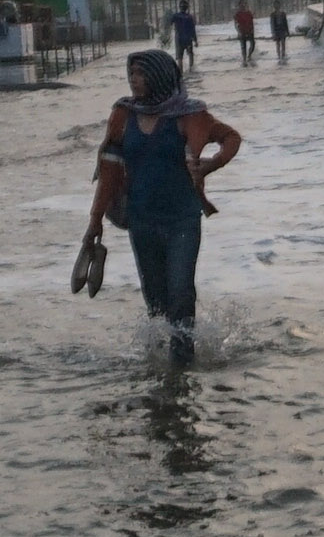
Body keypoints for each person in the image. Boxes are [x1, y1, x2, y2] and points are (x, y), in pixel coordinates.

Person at [81, 49, 242, 366]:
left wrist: (212, 164)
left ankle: (182, 365)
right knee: (155, 301)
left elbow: (231, 137)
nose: (134, 80)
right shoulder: (123, 116)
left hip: (182, 220)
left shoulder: (190, 115)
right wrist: (95, 219)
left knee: (180, 291)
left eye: (141, 74)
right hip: (141, 222)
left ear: (159, 77)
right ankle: (159, 368)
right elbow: (110, 174)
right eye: (131, 74)